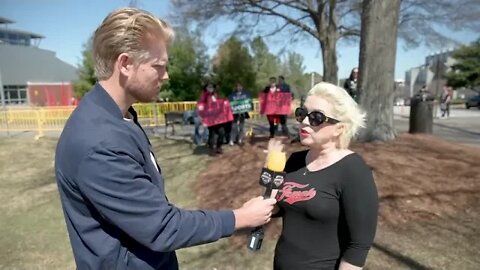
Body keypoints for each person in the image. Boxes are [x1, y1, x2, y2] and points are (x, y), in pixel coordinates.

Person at [54, 8, 276, 270]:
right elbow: (162, 227)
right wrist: (239, 218)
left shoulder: (119, 117)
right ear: (125, 64)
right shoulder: (99, 143)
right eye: (159, 66)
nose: (166, 75)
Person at [272, 82, 379, 269]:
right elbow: (275, 207)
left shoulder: (353, 170)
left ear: (339, 128)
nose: (304, 121)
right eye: (302, 113)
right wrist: (271, 170)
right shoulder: (295, 160)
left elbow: (358, 247)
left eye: (316, 117)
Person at [198, 82, 227, 156]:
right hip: (210, 118)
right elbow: (201, 106)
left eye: (212, 87)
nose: (210, 88)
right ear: (206, 88)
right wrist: (203, 118)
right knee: (212, 134)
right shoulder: (204, 96)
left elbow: (220, 103)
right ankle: (211, 150)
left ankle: (219, 147)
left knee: (222, 132)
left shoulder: (216, 95)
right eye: (209, 87)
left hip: (218, 118)